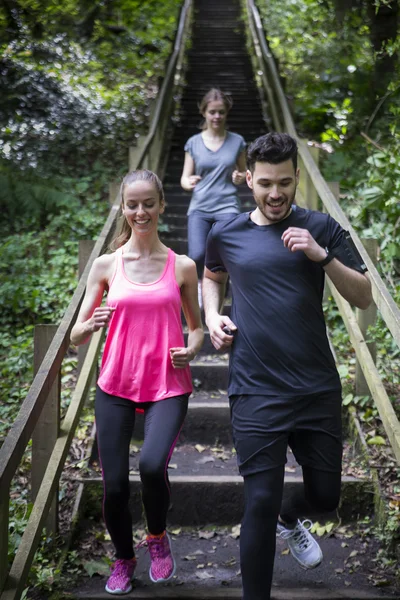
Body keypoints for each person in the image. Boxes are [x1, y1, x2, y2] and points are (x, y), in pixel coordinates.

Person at [202, 132, 372, 600]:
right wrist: (213, 313)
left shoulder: (322, 226)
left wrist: (322, 256)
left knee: (325, 498)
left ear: (297, 178)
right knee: (258, 500)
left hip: (316, 387)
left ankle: (290, 516)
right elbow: (211, 275)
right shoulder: (227, 231)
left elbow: (362, 296)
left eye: (283, 182)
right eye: (264, 183)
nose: (274, 193)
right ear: (249, 181)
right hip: (255, 389)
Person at [70, 169, 204, 595]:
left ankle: (158, 537)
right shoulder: (106, 265)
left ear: (162, 206)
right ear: (124, 209)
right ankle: (124, 558)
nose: (140, 211)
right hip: (115, 384)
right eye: (133, 204)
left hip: (167, 382)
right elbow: (74, 334)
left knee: (149, 466)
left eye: (149, 203)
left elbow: (196, 328)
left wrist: (193, 349)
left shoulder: (182, 266)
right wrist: (91, 323)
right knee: (114, 486)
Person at [180, 88, 247, 305]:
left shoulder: (237, 142)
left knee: (226, 251)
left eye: (221, 112)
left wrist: (239, 177)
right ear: (204, 113)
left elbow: (245, 174)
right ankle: (201, 285)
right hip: (200, 206)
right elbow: (184, 177)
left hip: (227, 205)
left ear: (226, 114)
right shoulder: (193, 143)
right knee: (197, 254)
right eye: (212, 112)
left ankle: (221, 288)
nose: (216, 116)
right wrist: (188, 183)